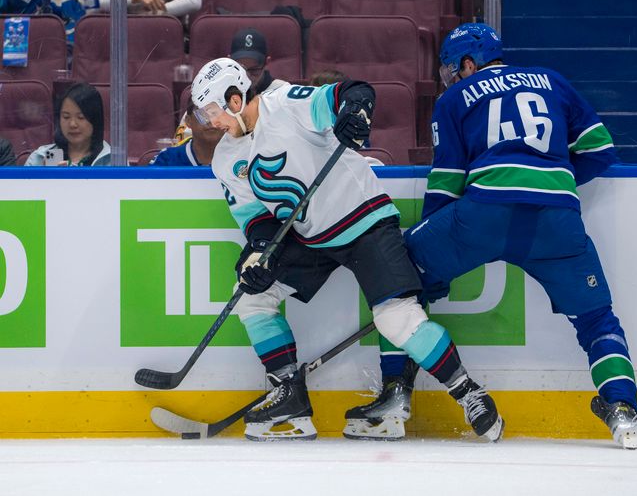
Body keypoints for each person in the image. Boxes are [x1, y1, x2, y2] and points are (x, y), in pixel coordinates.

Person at [381, 22, 637, 450]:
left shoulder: (455, 98)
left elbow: (446, 182)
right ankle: (624, 413)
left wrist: (436, 253)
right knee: (598, 320)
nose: (452, 78)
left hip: (483, 213)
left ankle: (394, 398)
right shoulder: (553, 81)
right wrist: (553, 183)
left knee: (395, 276)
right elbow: (600, 150)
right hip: (557, 220)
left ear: (469, 63)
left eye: (454, 68)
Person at [190, 57, 504, 443]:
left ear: (235, 99)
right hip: (310, 237)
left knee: (396, 319)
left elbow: (353, 92)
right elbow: (257, 221)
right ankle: (290, 397)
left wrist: (355, 111)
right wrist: (257, 255)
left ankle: (468, 391)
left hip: (363, 220)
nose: (209, 122)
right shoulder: (224, 160)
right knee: (252, 299)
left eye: (211, 111)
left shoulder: (285, 102)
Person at [25, 82, 110, 166]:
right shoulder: (39, 158)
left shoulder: (112, 159)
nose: (72, 124)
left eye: (80, 117)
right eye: (66, 117)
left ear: (95, 119)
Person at [150, 101, 223, 166]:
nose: (211, 121)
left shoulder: (234, 159)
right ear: (188, 121)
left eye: (216, 114)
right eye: (203, 115)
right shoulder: (167, 159)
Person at [229, 27, 275, 95]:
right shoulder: (219, 91)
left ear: (267, 63)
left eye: (254, 70)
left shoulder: (279, 93)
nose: (247, 76)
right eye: (241, 69)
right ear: (229, 61)